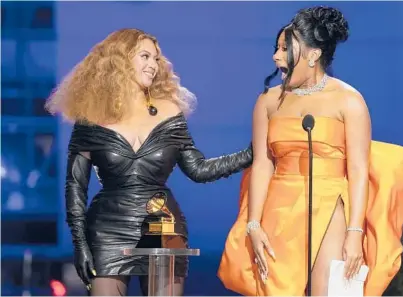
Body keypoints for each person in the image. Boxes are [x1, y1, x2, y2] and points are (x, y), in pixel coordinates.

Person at [217, 6, 403, 296]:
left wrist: (355, 233)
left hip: (330, 205)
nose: (275, 57)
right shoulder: (267, 101)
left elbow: (357, 169)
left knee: (329, 290)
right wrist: (253, 224)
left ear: (313, 55)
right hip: (279, 208)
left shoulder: (349, 101)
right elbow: (263, 164)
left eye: (284, 49)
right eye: (276, 48)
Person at [45, 28, 252, 296]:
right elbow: (75, 187)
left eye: (156, 59)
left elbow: (198, 170)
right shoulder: (90, 116)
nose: (153, 65)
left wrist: (250, 154)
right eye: (145, 56)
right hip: (108, 229)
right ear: (119, 59)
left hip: (163, 225)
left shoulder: (170, 111)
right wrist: (80, 243)